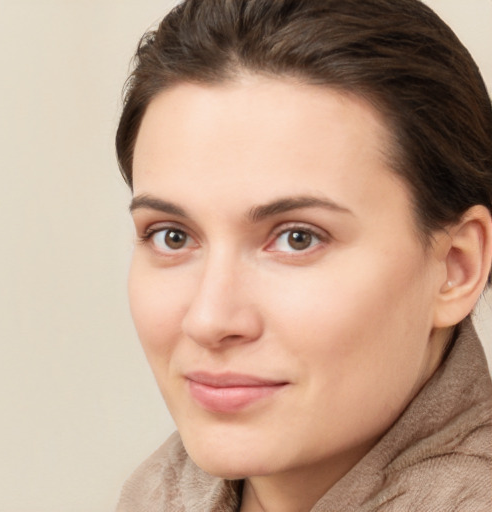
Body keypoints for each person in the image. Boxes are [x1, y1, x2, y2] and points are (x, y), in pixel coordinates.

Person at [115, 0, 492, 510]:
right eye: (172, 236)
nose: (209, 319)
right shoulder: (157, 493)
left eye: (298, 238)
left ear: (457, 267)